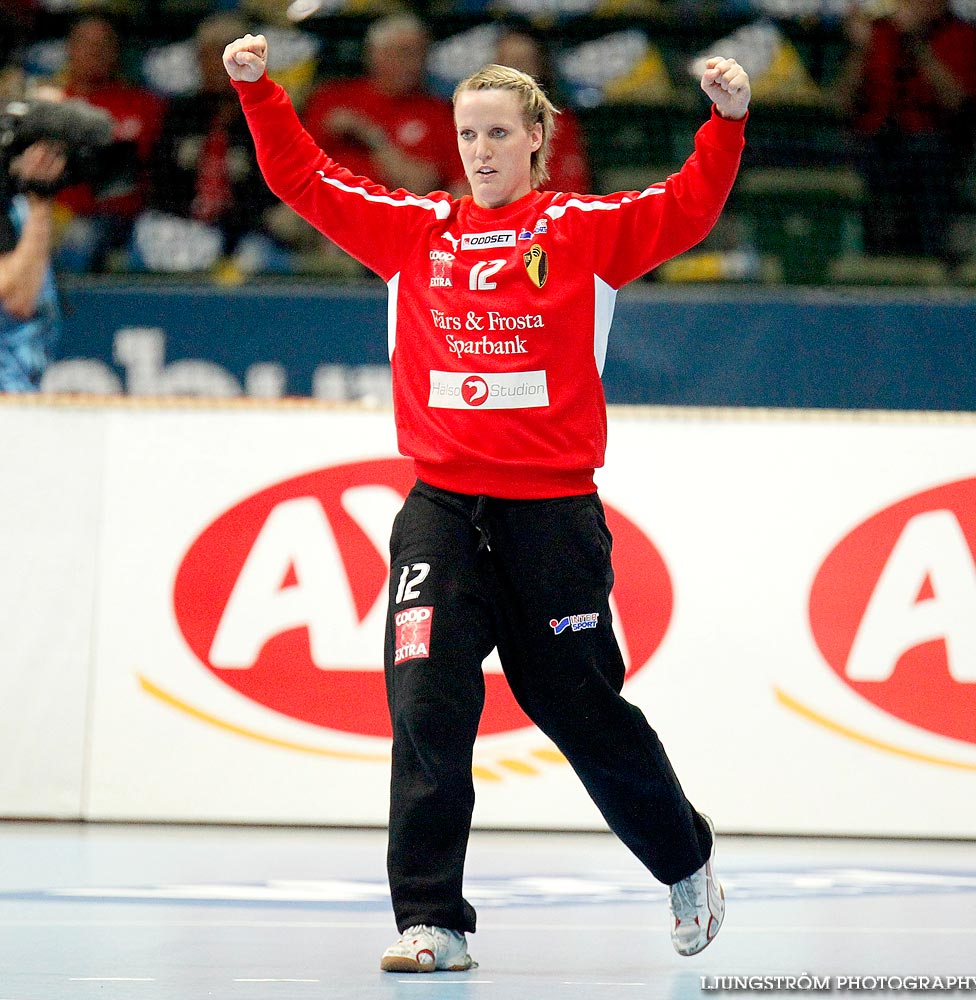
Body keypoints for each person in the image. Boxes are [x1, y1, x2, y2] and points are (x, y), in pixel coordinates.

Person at [223, 30, 749, 972]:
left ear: (536, 138)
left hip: (550, 516)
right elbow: (303, 180)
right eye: (468, 134)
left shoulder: (582, 232)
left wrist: (726, 120)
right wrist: (259, 93)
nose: (480, 151)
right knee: (427, 705)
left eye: (499, 133)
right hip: (440, 511)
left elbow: (686, 208)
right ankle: (432, 921)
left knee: (581, 709)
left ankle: (685, 858)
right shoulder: (412, 234)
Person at [834, 0, 976, 262]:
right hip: (875, 144)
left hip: (936, 146)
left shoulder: (962, 34)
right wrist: (860, 49)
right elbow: (840, 104)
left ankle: (930, 262)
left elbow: (957, 103)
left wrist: (917, 45)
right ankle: (868, 261)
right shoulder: (879, 33)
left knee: (925, 155)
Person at [144, 13, 283, 270]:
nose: (221, 64)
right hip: (182, 227)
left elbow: (273, 188)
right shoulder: (179, 114)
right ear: (198, 60)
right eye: (211, 54)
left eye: (230, 54)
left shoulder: (268, 113)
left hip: (250, 231)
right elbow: (159, 179)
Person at [301, 15, 464, 195]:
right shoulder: (333, 97)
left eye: (421, 53)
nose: (415, 62)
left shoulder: (439, 113)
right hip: (324, 202)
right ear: (375, 55)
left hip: (392, 212)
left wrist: (371, 135)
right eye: (405, 52)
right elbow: (297, 165)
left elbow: (420, 186)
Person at [52, 14, 164, 271]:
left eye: (104, 44)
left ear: (117, 50)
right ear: (70, 48)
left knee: (81, 237)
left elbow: (146, 180)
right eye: (86, 43)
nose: (95, 52)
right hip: (50, 216)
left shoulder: (145, 106)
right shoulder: (49, 104)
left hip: (116, 221)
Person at [0, 140, 66, 391]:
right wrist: (39, 200)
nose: (46, 158)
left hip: (24, 387)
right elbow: (17, 301)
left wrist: (40, 199)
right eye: (40, 144)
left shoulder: (25, 206)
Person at [494, 25, 591, 194]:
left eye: (522, 63)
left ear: (540, 68)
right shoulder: (474, 121)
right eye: (506, 62)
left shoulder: (558, 123)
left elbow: (571, 192)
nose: (514, 72)